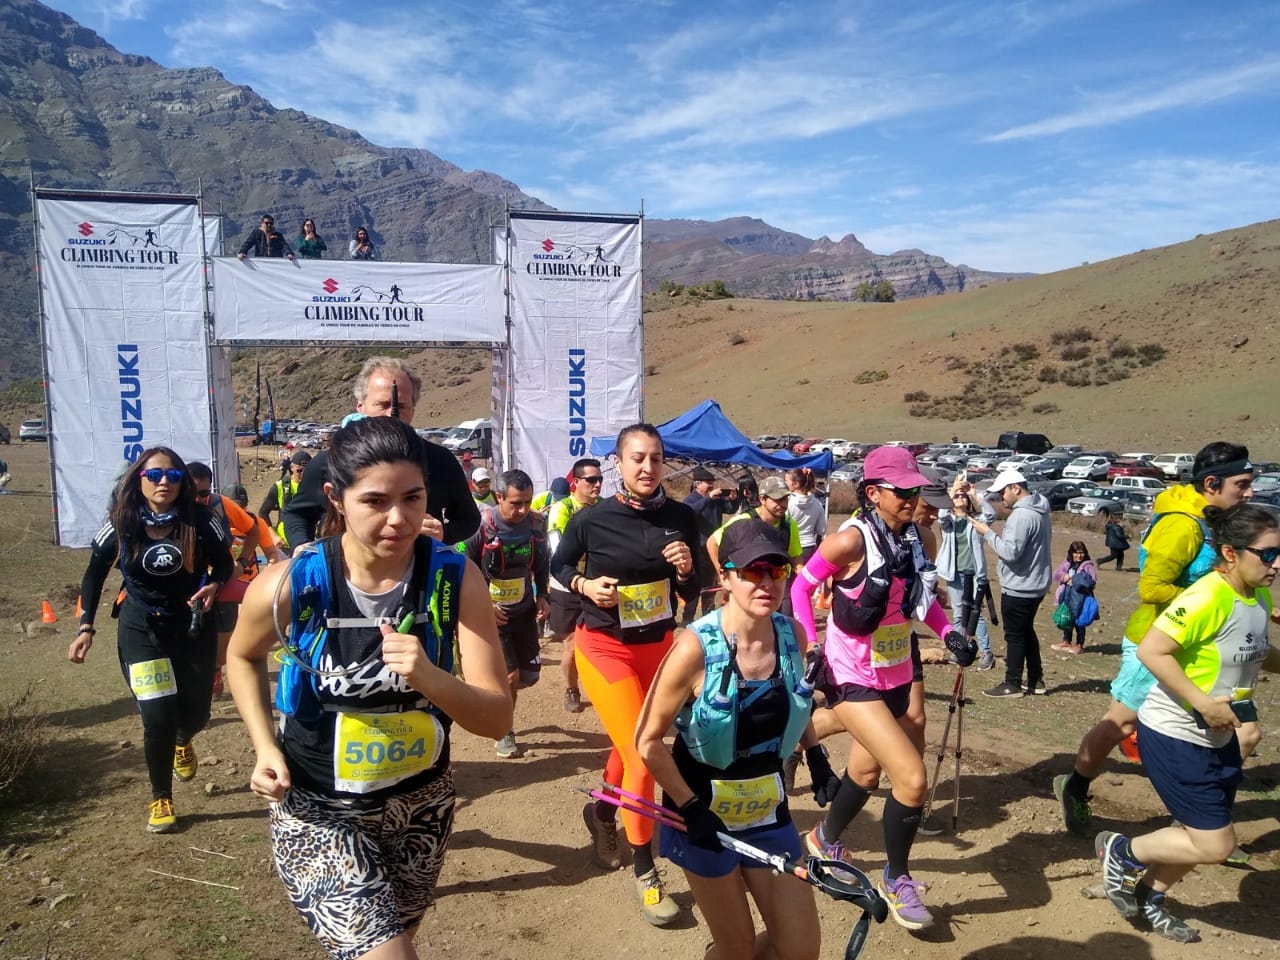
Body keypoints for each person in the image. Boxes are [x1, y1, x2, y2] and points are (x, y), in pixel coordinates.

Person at [226, 416, 512, 960]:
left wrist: (428, 675)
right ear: (336, 497)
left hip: (421, 805)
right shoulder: (293, 581)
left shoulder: (456, 577)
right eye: (376, 501)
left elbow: (496, 718)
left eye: (413, 497)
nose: (400, 518)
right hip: (319, 807)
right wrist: (265, 747)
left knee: (396, 940)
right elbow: (242, 655)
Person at [789, 446, 971, 931]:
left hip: (895, 669)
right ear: (873, 493)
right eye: (904, 490)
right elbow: (800, 590)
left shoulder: (921, 538)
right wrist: (810, 645)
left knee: (865, 774)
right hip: (849, 676)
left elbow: (920, 603)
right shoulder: (848, 542)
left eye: (917, 489)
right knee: (911, 779)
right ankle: (897, 878)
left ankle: (823, 841)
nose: (915, 497)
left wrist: (949, 632)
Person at [637, 519, 834, 960]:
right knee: (737, 949)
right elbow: (647, 741)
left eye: (776, 570)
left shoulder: (793, 635)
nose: (765, 582)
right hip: (702, 814)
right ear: (724, 578)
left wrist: (816, 755)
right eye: (750, 571)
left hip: (767, 809)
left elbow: (796, 702)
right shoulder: (694, 648)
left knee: (800, 948)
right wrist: (689, 808)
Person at [1095, 502, 1279, 943]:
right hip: (1175, 733)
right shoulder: (1204, 596)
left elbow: (1257, 652)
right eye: (1268, 554)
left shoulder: (1258, 595)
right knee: (1216, 844)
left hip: (1219, 735)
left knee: (1197, 833)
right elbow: (1152, 650)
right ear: (1231, 553)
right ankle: (1121, 851)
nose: (1277, 564)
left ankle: (1149, 898)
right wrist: (1202, 702)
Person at [1053, 443, 1258, 837]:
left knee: (1244, 730)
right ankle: (1075, 786)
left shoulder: (1214, 518)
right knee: (1121, 722)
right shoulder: (1182, 524)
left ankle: (1205, 823)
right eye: (1242, 484)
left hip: (1199, 644)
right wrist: (1211, 606)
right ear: (1212, 483)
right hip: (1157, 640)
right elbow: (1152, 586)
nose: (1248, 493)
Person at [551, 423, 699, 927]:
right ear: (619, 462)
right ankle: (646, 868)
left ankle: (603, 813)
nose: (647, 467)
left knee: (625, 745)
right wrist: (585, 584)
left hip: (657, 650)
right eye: (637, 458)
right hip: (606, 648)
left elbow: (696, 583)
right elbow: (558, 564)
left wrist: (684, 571)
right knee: (643, 753)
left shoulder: (681, 517)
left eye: (656, 459)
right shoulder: (593, 519)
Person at [68, 447, 233, 832]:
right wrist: (86, 628)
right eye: (154, 475)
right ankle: (162, 798)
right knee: (157, 716)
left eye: (173, 476)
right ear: (138, 479)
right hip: (141, 628)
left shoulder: (202, 519)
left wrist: (214, 584)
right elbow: (93, 576)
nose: (164, 482)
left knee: (196, 713)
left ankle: (183, 739)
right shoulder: (122, 522)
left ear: (183, 483)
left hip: (192, 626)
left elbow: (225, 561)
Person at [281, 357, 479, 549]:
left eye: (401, 406)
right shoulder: (330, 462)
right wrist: (303, 548)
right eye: (382, 404)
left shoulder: (440, 459)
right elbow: (297, 513)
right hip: (344, 574)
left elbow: (469, 519)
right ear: (361, 406)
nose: (392, 414)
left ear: (413, 408)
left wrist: (443, 533)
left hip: (422, 575)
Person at [463, 469, 549, 759]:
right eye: (516, 503)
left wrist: (543, 596)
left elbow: (542, 564)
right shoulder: (482, 526)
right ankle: (504, 730)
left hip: (524, 610)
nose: (523, 509)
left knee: (530, 675)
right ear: (498, 497)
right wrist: (482, 605)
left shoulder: (536, 524)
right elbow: (463, 567)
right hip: (492, 614)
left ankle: (492, 694)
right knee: (510, 677)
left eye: (527, 501)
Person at [969, 469, 1053, 698]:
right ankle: (1035, 679)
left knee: (1015, 635)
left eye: (1003, 492)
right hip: (1035, 583)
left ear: (1016, 488)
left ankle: (1012, 683)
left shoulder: (1021, 515)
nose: (1001, 498)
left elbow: (1010, 552)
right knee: (1026, 631)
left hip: (1020, 585)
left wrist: (987, 532)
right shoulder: (1041, 509)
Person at [187, 462, 260, 698]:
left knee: (223, 638)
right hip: (186, 585)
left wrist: (243, 562)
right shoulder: (171, 508)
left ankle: (216, 670)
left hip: (223, 582)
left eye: (203, 493)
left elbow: (253, 529)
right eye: (192, 493)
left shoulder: (221, 505)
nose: (198, 499)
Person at [547, 459, 603, 713]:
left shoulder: (605, 507)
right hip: (566, 586)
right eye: (591, 480)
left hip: (598, 585)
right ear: (576, 483)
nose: (597, 484)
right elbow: (558, 552)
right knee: (571, 643)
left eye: (599, 479)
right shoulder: (562, 509)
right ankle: (572, 689)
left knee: (601, 642)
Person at [708, 477, 803, 614]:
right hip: (747, 587)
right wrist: (724, 575)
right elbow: (712, 542)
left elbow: (795, 558)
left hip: (775, 587)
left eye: (785, 499)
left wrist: (807, 577)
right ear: (762, 499)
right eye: (778, 499)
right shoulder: (744, 521)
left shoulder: (789, 524)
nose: (783, 504)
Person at [937, 478, 995, 670]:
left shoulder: (975, 522)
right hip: (954, 573)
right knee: (958, 614)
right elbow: (942, 516)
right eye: (957, 496)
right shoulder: (948, 523)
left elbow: (991, 514)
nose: (960, 498)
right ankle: (960, 650)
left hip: (973, 574)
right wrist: (952, 491)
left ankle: (987, 652)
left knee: (975, 614)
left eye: (963, 496)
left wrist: (974, 494)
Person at [683, 465, 727, 623]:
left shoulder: (715, 499)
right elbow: (691, 512)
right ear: (697, 484)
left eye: (712, 482)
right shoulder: (690, 500)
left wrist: (735, 499)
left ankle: (708, 616)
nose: (711, 485)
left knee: (711, 585)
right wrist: (708, 499)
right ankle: (688, 618)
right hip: (697, 549)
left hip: (713, 547)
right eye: (707, 482)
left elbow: (729, 508)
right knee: (695, 586)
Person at [260, 450, 312, 553]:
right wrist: (273, 535)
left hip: (308, 545)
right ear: (292, 468)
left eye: (308, 471)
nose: (303, 474)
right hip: (283, 546)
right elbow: (263, 513)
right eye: (299, 470)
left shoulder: (314, 488)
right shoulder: (279, 487)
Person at [1051, 541, 1097, 654]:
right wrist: (1065, 577)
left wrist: (1075, 581)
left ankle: (1079, 644)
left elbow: (1092, 581)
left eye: (1081, 553)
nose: (1078, 555)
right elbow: (1056, 574)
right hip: (1067, 596)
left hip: (1081, 598)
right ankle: (1066, 641)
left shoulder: (1087, 566)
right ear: (1071, 553)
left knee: (1079, 621)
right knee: (1068, 618)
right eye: (1076, 553)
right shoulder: (1067, 563)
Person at [785, 467, 826, 567]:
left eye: (786, 481)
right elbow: (821, 530)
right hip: (809, 547)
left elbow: (784, 525)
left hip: (791, 548)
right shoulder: (817, 503)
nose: (785, 483)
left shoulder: (788, 502)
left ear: (796, 483)